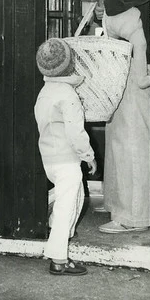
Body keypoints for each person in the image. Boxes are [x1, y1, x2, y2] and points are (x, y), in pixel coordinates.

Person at [74, 0, 150, 234]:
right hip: (127, 50)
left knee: (131, 132)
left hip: (137, 52)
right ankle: (118, 200)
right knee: (119, 128)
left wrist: (111, 2)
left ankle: (133, 214)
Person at [34, 37, 97, 275]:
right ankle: (58, 259)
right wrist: (88, 155)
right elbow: (75, 132)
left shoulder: (45, 92)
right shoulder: (68, 95)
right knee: (66, 205)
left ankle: (60, 227)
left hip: (49, 157)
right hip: (67, 160)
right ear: (70, 65)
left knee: (74, 194)